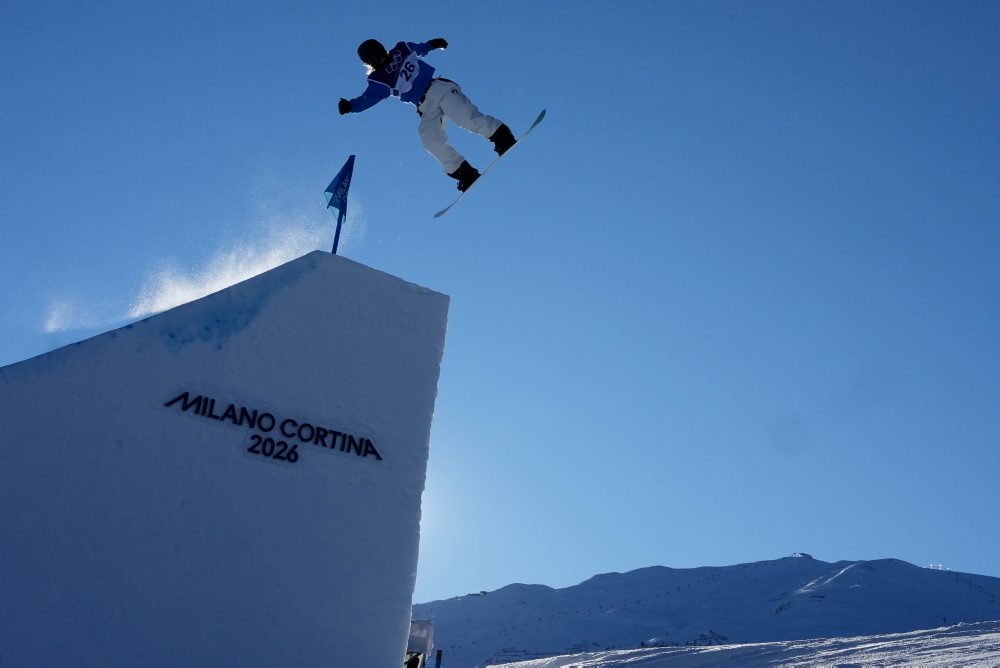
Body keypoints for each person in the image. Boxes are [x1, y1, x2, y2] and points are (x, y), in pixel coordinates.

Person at [339, 38, 516, 192]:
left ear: (381, 49)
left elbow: (420, 49)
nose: (378, 60)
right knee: (430, 140)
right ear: (368, 63)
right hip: (425, 106)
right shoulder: (378, 80)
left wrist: (433, 44)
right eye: (372, 60)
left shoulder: (401, 49)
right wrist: (350, 106)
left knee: (464, 117)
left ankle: (501, 136)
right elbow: (366, 99)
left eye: (377, 54)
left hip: (439, 88)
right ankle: (463, 172)